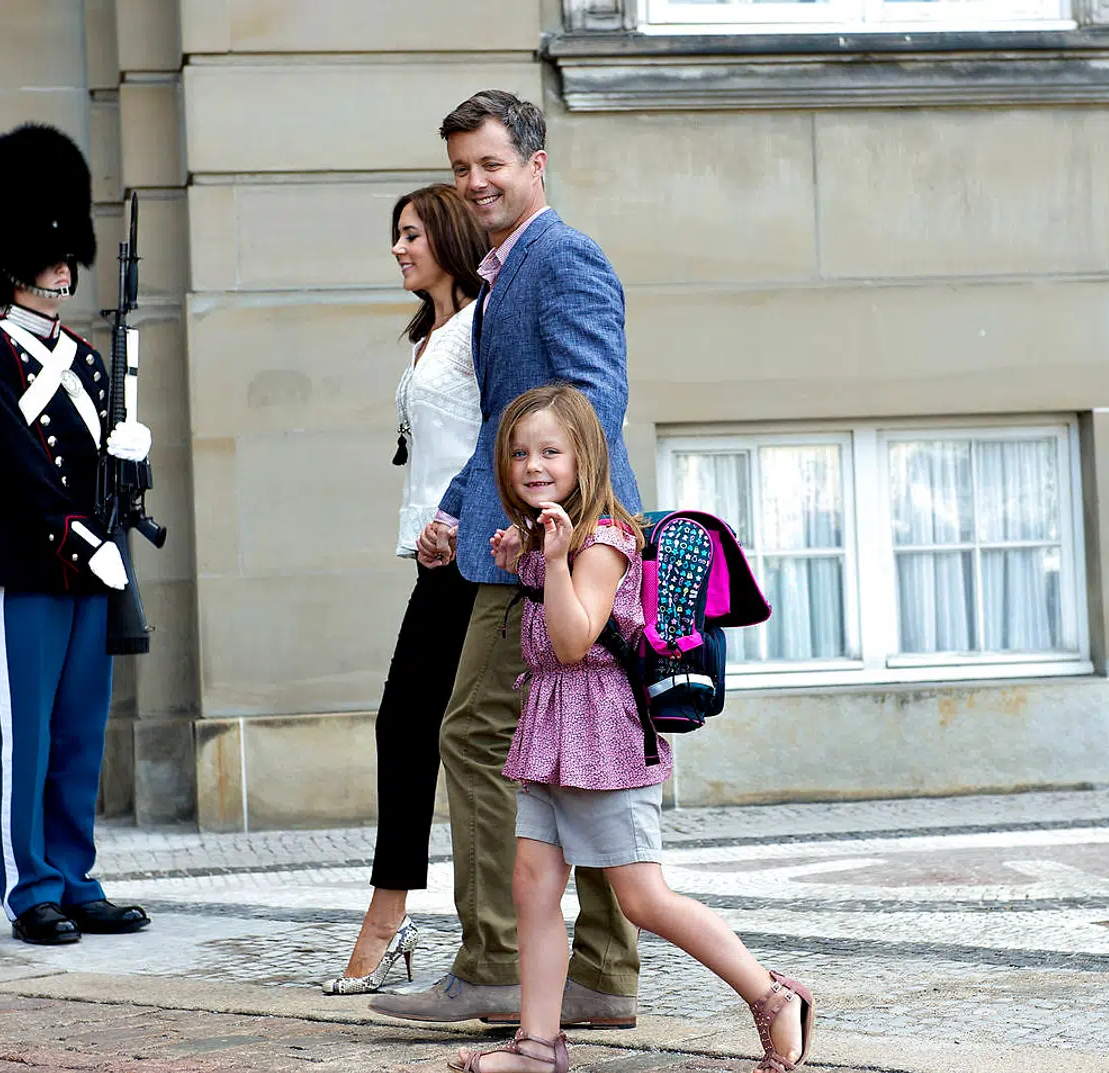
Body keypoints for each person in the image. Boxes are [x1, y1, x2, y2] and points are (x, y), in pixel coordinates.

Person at [370, 91, 643, 1029]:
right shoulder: (501, 272)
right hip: (515, 539)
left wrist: (551, 537)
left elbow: (593, 404)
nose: (474, 182)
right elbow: (503, 419)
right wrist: (452, 508)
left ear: (536, 162)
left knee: (477, 733)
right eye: (460, 168)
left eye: (490, 163)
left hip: (556, 549)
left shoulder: (561, 256)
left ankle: (492, 961)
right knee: (584, 752)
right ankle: (601, 973)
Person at [448, 384, 816, 1073]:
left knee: (642, 897)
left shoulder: (605, 537)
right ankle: (536, 1045)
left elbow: (571, 638)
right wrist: (525, 559)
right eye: (520, 452)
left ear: (584, 457)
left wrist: (551, 562)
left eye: (550, 451)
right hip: (552, 735)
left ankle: (772, 995)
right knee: (532, 882)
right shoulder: (549, 535)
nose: (532, 464)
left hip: (603, 737)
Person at [0, 124, 153, 945]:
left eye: (67, 255)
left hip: (93, 568)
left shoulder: (90, 359)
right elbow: (11, 454)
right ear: (11, 259)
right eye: (47, 254)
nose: (64, 268)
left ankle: (75, 873)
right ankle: (29, 885)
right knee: (25, 733)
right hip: (29, 560)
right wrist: (74, 532)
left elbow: (101, 468)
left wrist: (131, 464)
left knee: (79, 730)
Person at [320, 185, 489, 994]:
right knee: (416, 728)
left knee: (426, 727)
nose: (397, 247)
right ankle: (410, 922)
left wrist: (458, 516)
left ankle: (394, 921)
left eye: (411, 233)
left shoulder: (479, 328)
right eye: (396, 235)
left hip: (470, 559)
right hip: (434, 562)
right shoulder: (431, 335)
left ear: (448, 237)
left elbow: (507, 434)